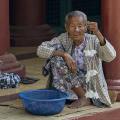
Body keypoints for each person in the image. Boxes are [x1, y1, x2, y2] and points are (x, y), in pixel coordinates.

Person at [37, 10, 116, 108]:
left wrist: (98, 33)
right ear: (66, 27)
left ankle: (84, 97)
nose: (76, 30)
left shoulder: (93, 40)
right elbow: (40, 50)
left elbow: (110, 56)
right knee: (56, 59)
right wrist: (64, 54)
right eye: (72, 26)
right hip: (69, 85)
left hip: (89, 86)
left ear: (85, 27)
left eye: (80, 26)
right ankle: (81, 96)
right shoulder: (63, 39)